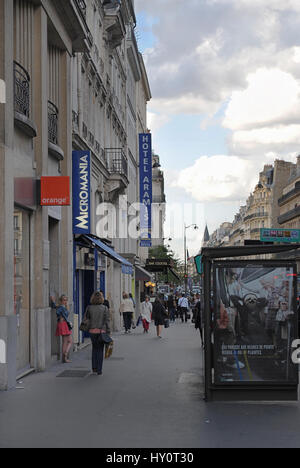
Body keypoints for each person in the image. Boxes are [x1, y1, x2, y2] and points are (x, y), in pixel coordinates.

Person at [84, 291, 111, 375]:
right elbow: (107, 321)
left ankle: (94, 368)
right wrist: (108, 331)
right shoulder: (105, 308)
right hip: (101, 331)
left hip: (92, 331)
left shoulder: (89, 308)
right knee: (100, 350)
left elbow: (86, 319)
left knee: (94, 349)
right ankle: (99, 369)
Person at [50, 295, 73, 364]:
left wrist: (53, 301)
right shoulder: (62, 307)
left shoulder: (63, 307)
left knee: (65, 341)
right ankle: (65, 355)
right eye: (64, 300)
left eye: (66, 300)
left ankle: (64, 357)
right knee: (69, 341)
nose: (65, 301)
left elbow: (55, 307)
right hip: (63, 324)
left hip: (63, 324)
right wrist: (60, 317)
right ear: (61, 301)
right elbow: (57, 311)